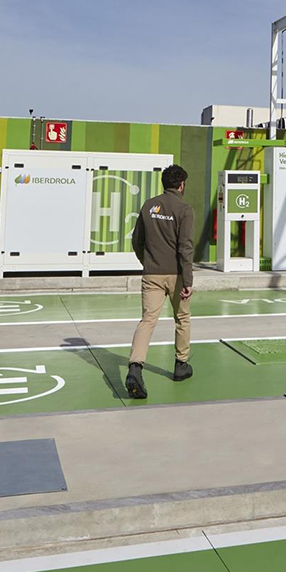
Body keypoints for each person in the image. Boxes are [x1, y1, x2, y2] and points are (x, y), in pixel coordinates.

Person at [126, 164, 195, 399]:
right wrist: (188, 279)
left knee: (148, 320)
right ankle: (181, 365)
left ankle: (135, 367)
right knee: (182, 318)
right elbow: (185, 247)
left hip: (152, 274)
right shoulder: (185, 209)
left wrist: (147, 262)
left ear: (164, 183)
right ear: (182, 185)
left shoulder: (149, 205)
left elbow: (137, 241)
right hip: (177, 275)